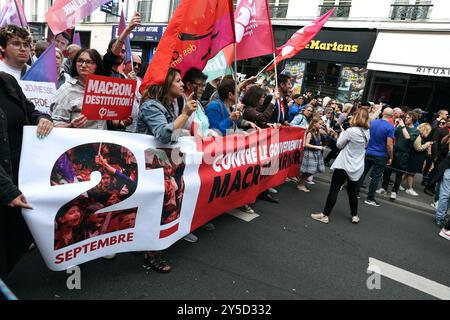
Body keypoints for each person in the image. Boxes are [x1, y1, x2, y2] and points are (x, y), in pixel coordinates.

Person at [137, 68, 198, 272]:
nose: (182, 84)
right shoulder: (150, 106)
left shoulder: (168, 104)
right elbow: (164, 134)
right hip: (151, 165)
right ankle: (150, 254)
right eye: (178, 81)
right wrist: (185, 114)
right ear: (165, 85)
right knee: (158, 206)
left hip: (164, 163)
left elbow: (174, 130)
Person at [0, 71, 54, 278]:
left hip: (20, 174)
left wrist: (43, 119)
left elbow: (30, 111)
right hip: (5, 182)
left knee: (19, 235)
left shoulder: (7, 81)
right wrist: (6, 190)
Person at [311, 108, 370, 224]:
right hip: (357, 165)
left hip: (344, 164)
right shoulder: (367, 132)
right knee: (352, 192)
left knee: (334, 189)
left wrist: (343, 132)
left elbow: (338, 145)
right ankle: (355, 215)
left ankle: (325, 215)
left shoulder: (350, 131)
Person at [357, 108, 395, 207]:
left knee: (363, 172)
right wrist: (391, 157)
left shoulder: (372, 123)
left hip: (368, 151)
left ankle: (355, 193)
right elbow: (389, 145)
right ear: (392, 116)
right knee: (376, 177)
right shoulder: (390, 127)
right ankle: (370, 198)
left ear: (382, 114)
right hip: (381, 155)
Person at [379, 112, 419, 201]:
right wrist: (396, 125)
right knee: (387, 170)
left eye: (408, 118)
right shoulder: (400, 127)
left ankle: (394, 191)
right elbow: (391, 134)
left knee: (399, 174)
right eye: (406, 117)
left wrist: (403, 126)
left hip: (403, 154)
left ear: (413, 119)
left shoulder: (415, 131)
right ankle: (384, 188)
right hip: (394, 151)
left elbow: (408, 137)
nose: (406, 119)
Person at [103, 12, 141, 78]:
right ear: (108, 51)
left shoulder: (122, 77)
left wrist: (128, 83)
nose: (120, 54)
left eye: (123, 51)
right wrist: (128, 29)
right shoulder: (102, 69)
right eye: (118, 50)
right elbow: (112, 55)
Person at [297, 116, 326, 193]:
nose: (321, 126)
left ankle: (301, 181)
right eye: (320, 124)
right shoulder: (310, 132)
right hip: (310, 153)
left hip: (316, 153)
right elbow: (306, 144)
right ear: (314, 123)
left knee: (312, 171)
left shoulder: (317, 132)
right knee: (309, 171)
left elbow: (326, 132)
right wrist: (318, 147)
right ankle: (300, 184)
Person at [404, 123, 433, 196]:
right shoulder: (418, 136)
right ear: (425, 130)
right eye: (428, 131)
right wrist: (427, 144)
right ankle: (409, 189)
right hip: (414, 158)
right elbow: (418, 148)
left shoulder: (418, 135)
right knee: (411, 173)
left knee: (407, 172)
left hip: (415, 157)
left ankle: (397, 184)